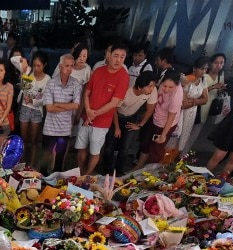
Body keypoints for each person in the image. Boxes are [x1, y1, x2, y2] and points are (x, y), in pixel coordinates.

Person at [75, 42, 129, 175]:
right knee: (81, 147)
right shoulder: (98, 71)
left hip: (102, 122)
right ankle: (80, 172)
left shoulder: (124, 76)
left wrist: (94, 114)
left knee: (95, 151)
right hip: (86, 116)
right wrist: (87, 110)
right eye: (116, 56)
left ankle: (87, 175)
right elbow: (87, 92)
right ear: (109, 55)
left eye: (122, 57)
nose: (118, 60)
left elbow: (114, 102)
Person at [101, 70, 157, 174]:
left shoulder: (152, 91)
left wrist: (140, 124)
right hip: (116, 116)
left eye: (153, 86)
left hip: (131, 117)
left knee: (125, 147)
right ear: (140, 87)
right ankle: (106, 171)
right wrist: (117, 127)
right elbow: (113, 109)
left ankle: (119, 172)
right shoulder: (126, 90)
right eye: (150, 86)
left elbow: (151, 108)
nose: (152, 88)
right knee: (109, 147)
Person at [42, 54, 82, 175]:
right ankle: (41, 180)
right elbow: (49, 107)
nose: (69, 69)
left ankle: (55, 183)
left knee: (59, 158)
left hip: (64, 129)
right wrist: (67, 105)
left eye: (71, 66)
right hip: (49, 128)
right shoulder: (51, 83)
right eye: (66, 65)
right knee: (45, 156)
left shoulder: (75, 84)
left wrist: (57, 103)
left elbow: (76, 105)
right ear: (60, 66)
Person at [135, 70, 183, 168]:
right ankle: (138, 167)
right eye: (164, 86)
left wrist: (163, 135)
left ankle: (150, 173)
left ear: (176, 85)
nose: (166, 89)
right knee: (145, 144)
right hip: (154, 118)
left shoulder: (176, 96)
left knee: (156, 150)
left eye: (170, 87)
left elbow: (171, 118)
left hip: (164, 124)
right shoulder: (160, 82)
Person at [184, 52, 226, 151]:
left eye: (222, 63)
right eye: (216, 62)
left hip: (208, 108)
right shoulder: (203, 75)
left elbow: (215, 92)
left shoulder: (221, 75)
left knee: (194, 134)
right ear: (210, 63)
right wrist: (214, 87)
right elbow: (196, 89)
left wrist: (220, 90)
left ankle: (182, 155)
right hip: (197, 107)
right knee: (185, 130)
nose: (218, 65)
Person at [16, 51, 50, 167]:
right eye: (34, 65)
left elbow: (45, 99)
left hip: (37, 112)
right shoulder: (29, 74)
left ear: (45, 65)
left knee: (34, 140)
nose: (36, 68)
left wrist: (32, 101)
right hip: (25, 109)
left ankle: (32, 163)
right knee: (24, 138)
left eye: (38, 65)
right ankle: (23, 161)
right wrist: (24, 67)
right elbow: (24, 89)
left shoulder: (47, 79)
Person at [176, 57, 209, 153]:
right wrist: (197, 101)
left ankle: (172, 160)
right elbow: (183, 104)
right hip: (180, 113)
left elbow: (205, 99)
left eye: (206, 69)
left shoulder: (203, 80)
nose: (204, 71)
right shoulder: (186, 79)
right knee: (175, 135)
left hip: (191, 114)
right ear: (195, 68)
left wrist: (194, 101)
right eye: (202, 68)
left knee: (184, 136)